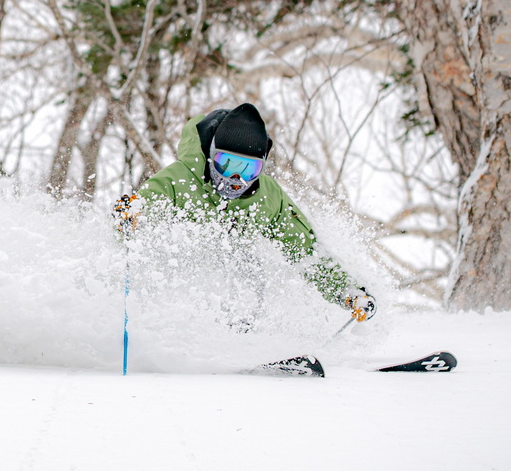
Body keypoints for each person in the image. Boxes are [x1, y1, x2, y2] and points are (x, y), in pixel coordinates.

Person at [114, 102, 376, 322]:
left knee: (247, 267)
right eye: (226, 164)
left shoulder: (268, 198)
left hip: (233, 282)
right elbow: (148, 201)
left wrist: (348, 291)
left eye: (249, 169)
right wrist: (132, 213)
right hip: (176, 276)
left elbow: (305, 251)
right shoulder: (181, 178)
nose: (237, 178)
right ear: (211, 156)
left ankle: (239, 340)